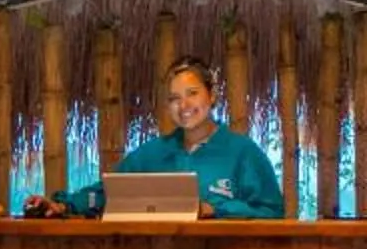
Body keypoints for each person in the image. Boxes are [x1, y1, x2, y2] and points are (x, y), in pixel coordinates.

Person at [47, 58, 283, 220]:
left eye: (192, 93)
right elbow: (108, 193)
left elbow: (272, 212)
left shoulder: (243, 153)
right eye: (174, 98)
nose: (184, 106)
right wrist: (63, 205)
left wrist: (215, 210)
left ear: (211, 95)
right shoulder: (152, 154)